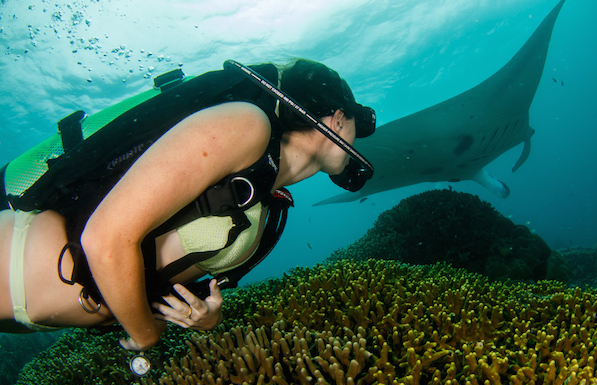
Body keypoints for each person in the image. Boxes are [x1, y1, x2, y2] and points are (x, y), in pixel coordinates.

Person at [0, 59, 376, 351]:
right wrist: (146, 335)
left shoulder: (268, 196)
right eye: (358, 124)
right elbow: (105, 239)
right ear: (338, 118)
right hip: (16, 262)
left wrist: (204, 316)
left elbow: (158, 261)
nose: (359, 144)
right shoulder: (248, 125)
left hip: (33, 309)